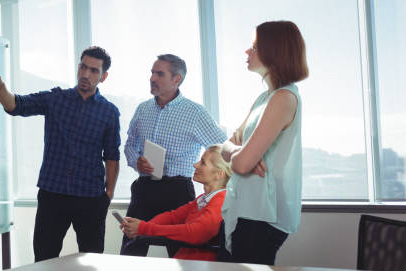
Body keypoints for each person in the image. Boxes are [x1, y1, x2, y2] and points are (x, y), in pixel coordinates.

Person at [0, 46, 120, 262]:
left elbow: (112, 156)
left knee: (92, 259)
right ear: (78, 68)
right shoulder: (55, 99)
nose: (86, 74)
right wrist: (0, 87)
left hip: (90, 197)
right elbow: (16, 105)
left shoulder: (109, 112)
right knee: (44, 258)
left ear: (103, 76)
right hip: (53, 194)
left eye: (94, 71)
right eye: (83, 67)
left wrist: (108, 195)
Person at [218, 20, 309, 265]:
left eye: (255, 46)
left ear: (275, 51)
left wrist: (241, 157)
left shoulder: (283, 98)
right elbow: (225, 146)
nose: (247, 51)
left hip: (261, 217)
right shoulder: (264, 98)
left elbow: (240, 165)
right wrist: (241, 151)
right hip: (248, 209)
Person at [121, 54, 227, 257]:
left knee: (181, 253)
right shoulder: (142, 109)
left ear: (176, 79)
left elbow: (222, 148)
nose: (152, 78)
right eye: (152, 72)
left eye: (159, 74)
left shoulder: (195, 113)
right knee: (131, 247)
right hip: (144, 188)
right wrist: (137, 161)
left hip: (176, 191)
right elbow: (130, 145)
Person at [121, 145, 232, 261]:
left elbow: (195, 232)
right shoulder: (203, 199)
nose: (195, 165)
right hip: (185, 262)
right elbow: (173, 217)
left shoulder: (221, 200)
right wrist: (138, 228)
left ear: (219, 174)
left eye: (203, 163)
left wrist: (145, 228)